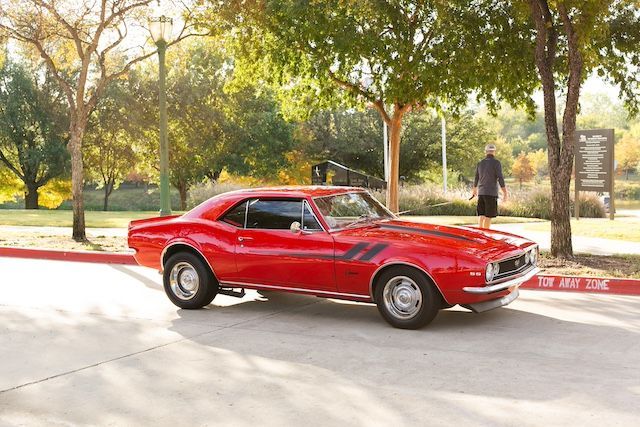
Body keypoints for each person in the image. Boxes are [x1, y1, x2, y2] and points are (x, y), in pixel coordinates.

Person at [472, 144, 508, 229]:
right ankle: (485, 234)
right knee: (488, 216)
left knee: (481, 214)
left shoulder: (480, 163)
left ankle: (480, 232)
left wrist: (474, 190)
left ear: (486, 152)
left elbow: (476, 177)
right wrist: (505, 192)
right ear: (494, 152)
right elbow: (500, 178)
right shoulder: (496, 163)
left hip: (481, 193)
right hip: (491, 193)